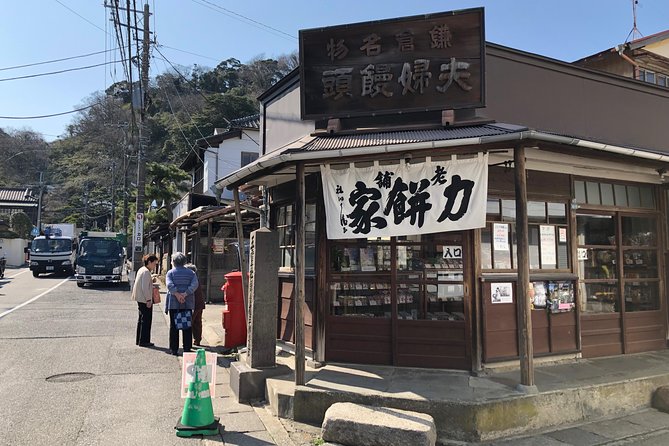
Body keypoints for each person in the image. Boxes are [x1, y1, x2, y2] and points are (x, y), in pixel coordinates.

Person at [165, 252, 199, 355]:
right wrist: (185, 294)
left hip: (174, 303)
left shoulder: (170, 273)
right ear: (184, 262)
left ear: (173, 262)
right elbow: (195, 285)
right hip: (187, 302)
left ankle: (174, 349)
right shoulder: (191, 273)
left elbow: (169, 284)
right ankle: (187, 348)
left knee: (173, 327)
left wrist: (176, 294)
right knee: (187, 325)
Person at [132, 254, 159, 347]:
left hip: (140, 298)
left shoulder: (142, 270)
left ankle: (139, 340)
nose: (155, 266)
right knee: (146, 320)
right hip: (144, 299)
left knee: (141, 319)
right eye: (154, 264)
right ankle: (144, 340)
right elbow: (145, 287)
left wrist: (151, 279)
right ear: (149, 262)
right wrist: (148, 300)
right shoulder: (146, 272)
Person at [185, 263, 205, 346]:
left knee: (190, 322)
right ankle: (197, 340)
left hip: (193, 304)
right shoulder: (196, 279)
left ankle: (189, 341)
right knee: (197, 322)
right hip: (199, 303)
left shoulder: (191, 280)